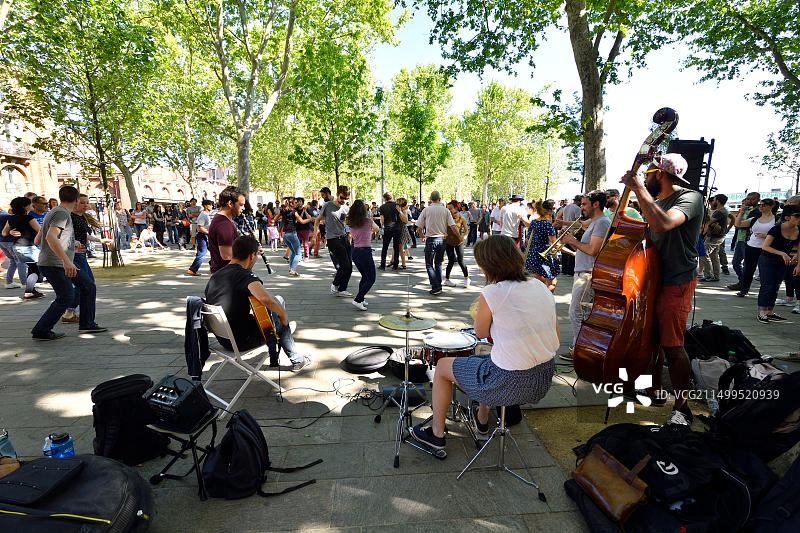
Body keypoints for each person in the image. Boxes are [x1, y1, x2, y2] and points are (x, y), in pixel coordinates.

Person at [411, 235, 559, 450]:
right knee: (488, 358)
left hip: (509, 382)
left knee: (442, 366)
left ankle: (436, 434)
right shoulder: (541, 285)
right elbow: (556, 337)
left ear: (489, 265)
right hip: (542, 379)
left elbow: (480, 332)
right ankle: (481, 420)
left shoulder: (492, 292)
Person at [620, 153, 705, 426]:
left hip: (676, 281)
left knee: (673, 346)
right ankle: (655, 390)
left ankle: (682, 407)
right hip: (652, 280)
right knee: (651, 339)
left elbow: (664, 224)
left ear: (659, 174)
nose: (644, 179)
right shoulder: (656, 202)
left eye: (646, 175)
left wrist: (638, 189)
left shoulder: (690, 198)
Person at [204, 236, 311, 371]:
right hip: (241, 341)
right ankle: (297, 360)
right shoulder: (244, 276)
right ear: (252, 256)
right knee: (279, 317)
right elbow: (266, 299)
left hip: (223, 339)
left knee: (275, 305)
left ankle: (276, 355)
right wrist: (283, 316)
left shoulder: (216, 276)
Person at [30, 186, 106, 340]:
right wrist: (66, 261)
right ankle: (41, 330)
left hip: (54, 262)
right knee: (66, 296)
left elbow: (38, 240)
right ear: (77, 199)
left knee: (87, 286)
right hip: (56, 264)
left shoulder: (53, 212)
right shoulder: (62, 213)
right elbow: (50, 237)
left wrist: (72, 244)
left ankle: (86, 324)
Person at [558, 190, 610, 360]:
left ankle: (581, 351)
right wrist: (569, 242)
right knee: (582, 312)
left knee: (576, 312)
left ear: (596, 204)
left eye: (584, 204)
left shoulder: (601, 223)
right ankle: (583, 349)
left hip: (588, 274)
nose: (581, 207)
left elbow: (593, 250)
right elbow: (584, 250)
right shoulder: (596, 222)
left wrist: (572, 240)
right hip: (583, 271)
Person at [62, 194, 104, 324]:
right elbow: (63, 235)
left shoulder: (81, 217)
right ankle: (69, 312)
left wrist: (99, 240)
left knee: (87, 284)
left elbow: (83, 235)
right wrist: (74, 244)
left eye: (87, 202)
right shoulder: (70, 217)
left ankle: (70, 312)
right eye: (82, 202)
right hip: (75, 254)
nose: (86, 205)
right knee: (86, 285)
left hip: (81, 254)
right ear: (75, 203)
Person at [753, 205, 799, 323]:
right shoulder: (776, 229)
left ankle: (770, 311)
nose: (799, 218)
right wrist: (782, 253)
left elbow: (799, 247)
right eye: (797, 216)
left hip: (782, 261)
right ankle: (762, 312)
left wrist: (796, 258)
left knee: (776, 286)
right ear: (787, 217)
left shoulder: (798, 230)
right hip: (767, 259)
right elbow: (765, 247)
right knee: (767, 285)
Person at [732, 198, 777, 297]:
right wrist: (741, 213)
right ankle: (744, 289)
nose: (761, 207)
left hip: (766, 248)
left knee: (765, 270)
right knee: (748, 269)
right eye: (760, 205)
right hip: (751, 246)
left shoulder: (776, 220)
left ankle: (766, 291)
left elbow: (779, 235)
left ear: (771, 206)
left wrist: (766, 236)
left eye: (764, 205)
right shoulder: (755, 219)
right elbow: (738, 224)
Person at [416, 191, 456, 295]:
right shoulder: (445, 210)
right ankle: (438, 286)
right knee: (438, 263)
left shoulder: (426, 210)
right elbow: (452, 226)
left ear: (430, 199)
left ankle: (435, 286)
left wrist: (422, 236)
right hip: (442, 239)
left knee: (429, 264)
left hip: (430, 239)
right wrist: (460, 236)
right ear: (440, 198)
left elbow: (419, 227)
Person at [2, 196, 43, 299]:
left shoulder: (11, 218)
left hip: (17, 246)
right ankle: (29, 292)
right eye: (30, 204)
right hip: (28, 246)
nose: (32, 205)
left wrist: (11, 232)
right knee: (35, 270)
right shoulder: (29, 218)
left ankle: (30, 291)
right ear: (24, 206)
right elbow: (40, 230)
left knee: (33, 268)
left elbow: (4, 233)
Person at [315, 185, 352, 296]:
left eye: (346, 199)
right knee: (345, 265)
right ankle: (335, 284)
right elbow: (317, 220)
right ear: (337, 195)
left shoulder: (346, 208)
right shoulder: (327, 205)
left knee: (349, 266)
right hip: (333, 239)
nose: (343, 200)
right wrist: (314, 234)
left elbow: (346, 223)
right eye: (342, 197)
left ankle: (342, 289)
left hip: (344, 238)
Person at [521, 199, 560, 292]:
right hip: (543, 256)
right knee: (552, 283)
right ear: (550, 212)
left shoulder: (534, 222)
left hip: (532, 255)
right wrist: (572, 252)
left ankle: (538, 299)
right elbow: (554, 244)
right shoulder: (547, 224)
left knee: (538, 284)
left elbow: (530, 238)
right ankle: (545, 299)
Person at [346, 200, 378, 310]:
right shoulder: (368, 221)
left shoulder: (350, 222)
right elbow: (377, 228)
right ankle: (358, 299)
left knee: (365, 276)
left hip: (355, 251)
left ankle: (361, 298)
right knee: (371, 278)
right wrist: (370, 231)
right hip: (365, 251)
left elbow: (352, 234)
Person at [728, 192, 761, 290]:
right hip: (740, 239)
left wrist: (740, 223)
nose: (749, 201)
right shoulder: (743, 210)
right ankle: (742, 281)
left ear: (758, 200)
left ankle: (744, 285)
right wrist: (741, 213)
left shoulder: (757, 212)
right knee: (735, 263)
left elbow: (744, 225)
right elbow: (736, 224)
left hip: (748, 240)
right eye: (748, 199)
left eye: (752, 199)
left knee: (747, 264)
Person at [208, 186, 245, 274]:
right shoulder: (224, 224)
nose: (243, 208)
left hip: (226, 274)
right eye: (241, 205)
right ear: (230, 204)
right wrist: (250, 251)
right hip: (226, 275)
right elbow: (227, 255)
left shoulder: (224, 220)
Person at [698, 194, 729, 282]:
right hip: (718, 237)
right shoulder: (723, 211)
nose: (713, 201)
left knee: (704, 254)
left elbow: (709, 222)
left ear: (717, 201)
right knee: (714, 256)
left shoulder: (719, 212)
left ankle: (709, 275)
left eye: (714, 200)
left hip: (714, 237)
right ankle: (715, 276)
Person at [443, 200, 470, 288]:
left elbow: (466, 231)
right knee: (450, 261)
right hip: (449, 242)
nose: (448, 210)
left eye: (450, 208)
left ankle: (466, 279)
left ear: (456, 208)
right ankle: (447, 280)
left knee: (460, 261)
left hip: (459, 242)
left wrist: (464, 237)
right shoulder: (446, 218)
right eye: (447, 208)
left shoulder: (462, 218)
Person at [556, 195, 582, 276]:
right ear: (578, 201)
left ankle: (564, 270)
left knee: (565, 251)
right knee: (572, 251)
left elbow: (559, 216)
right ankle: (570, 271)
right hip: (572, 231)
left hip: (564, 229)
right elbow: (578, 221)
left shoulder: (566, 207)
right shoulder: (577, 208)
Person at [186, 200, 214, 276]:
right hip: (202, 236)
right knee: (202, 253)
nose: (212, 206)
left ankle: (213, 265)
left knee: (215, 251)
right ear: (205, 206)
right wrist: (210, 233)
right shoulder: (203, 215)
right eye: (210, 205)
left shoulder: (206, 214)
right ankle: (192, 270)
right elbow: (200, 228)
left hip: (206, 236)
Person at [378, 193, 403, 271]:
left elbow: (382, 220)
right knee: (396, 247)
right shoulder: (397, 205)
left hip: (387, 229)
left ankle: (382, 265)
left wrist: (383, 224)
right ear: (391, 197)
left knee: (385, 247)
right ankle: (395, 265)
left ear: (384, 198)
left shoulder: (382, 207)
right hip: (396, 228)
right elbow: (400, 216)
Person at [0, 204, 22, 289]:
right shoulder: (7, 216)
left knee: (13, 261)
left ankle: (9, 282)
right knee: (20, 261)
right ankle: (25, 282)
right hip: (10, 240)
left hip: (2, 241)